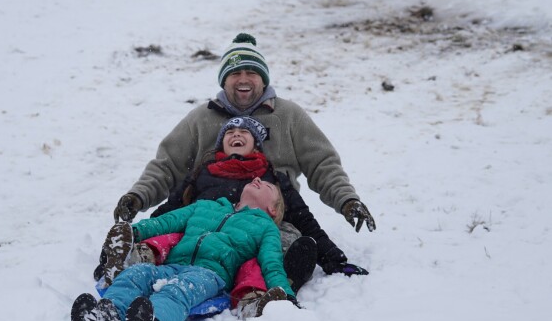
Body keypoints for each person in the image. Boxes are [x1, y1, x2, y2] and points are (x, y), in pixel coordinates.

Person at [95, 116, 368, 317]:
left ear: (257, 146)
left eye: (245, 132)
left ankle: (273, 290)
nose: (237, 134)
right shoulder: (204, 172)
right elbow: (170, 211)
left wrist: (334, 259)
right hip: (201, 231)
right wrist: (131, 233)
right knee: (170, 235)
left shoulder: (271, 178)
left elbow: (303, 217)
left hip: (246, 240)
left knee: (276, 244)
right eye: (230, 132)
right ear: (221, 145)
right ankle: (128, 261)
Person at [113, 33, 376, 238]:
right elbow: (167, 166)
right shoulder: (201, 119)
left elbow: (322, 164)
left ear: (263, 80)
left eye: (251, 72)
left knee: (286, 247)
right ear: (224, 81)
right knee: (170, 242)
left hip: (272, 219)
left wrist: (347, 200)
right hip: (207, 218)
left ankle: (270, 292)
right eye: (235, 73)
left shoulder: (288, 116)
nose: (244, 79)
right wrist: (138, 196)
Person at [71, 178, 297, 321]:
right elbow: (168, 221)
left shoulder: (266, 227)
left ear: (273, 209)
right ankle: (104, 320)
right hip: (173, 264)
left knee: (178, 291)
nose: (257, 179)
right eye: (255, 179)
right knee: (136, 274)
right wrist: (133, 232)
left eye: (267, 186)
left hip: (210, 274)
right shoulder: (207, 206)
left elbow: (272, 264)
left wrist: (286, 297)